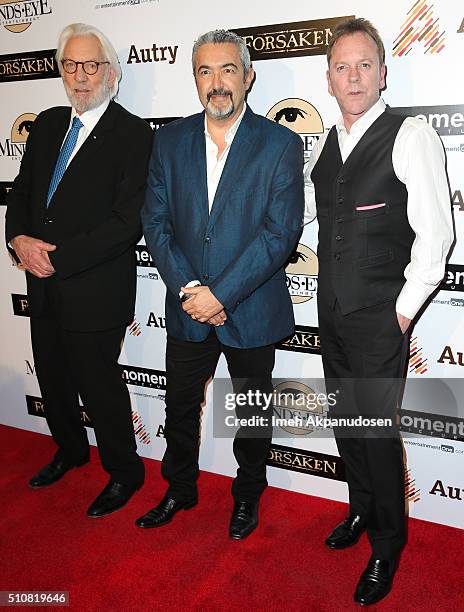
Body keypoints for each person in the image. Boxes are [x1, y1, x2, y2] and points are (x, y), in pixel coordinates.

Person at [304, 17, 453, 606]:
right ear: (329, 79)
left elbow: (436, 236)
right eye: (342, 67)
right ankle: (361, 512)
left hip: (378, 317)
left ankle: (388, 546)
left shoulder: (409, 134)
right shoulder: (326, 144)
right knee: (348, 427)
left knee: (375, 433)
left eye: (365, 64)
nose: (354, 76)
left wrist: (404, 309)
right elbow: (318, 218)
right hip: (332, 310)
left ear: (384, 72)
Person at [139, 29, 304, 539]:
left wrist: (220, 295)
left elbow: (281, 234)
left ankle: (247, 496)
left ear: (248, 76)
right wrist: (192, 291)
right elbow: (156, 222)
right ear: (194, 80)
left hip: (249, 308)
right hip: (189, 307)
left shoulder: (280, 143)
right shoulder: (168, 141)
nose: (217, 83)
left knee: (251, 413)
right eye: (205, 72)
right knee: (181, 406)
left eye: (228, 69)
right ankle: (179, 488)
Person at [5, 23, 153, 518]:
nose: (80, 76)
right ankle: (69, 451)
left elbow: (125, 221)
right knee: (51, 376)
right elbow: (22, 193)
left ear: (110, 72)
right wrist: (18, 240)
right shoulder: (47, 124)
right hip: (40, 281)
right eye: (70, 65)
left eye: (91, 65)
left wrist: (57, 258)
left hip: (94, 287)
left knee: (100, 386)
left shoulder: (132, 133)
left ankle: (125, 472)